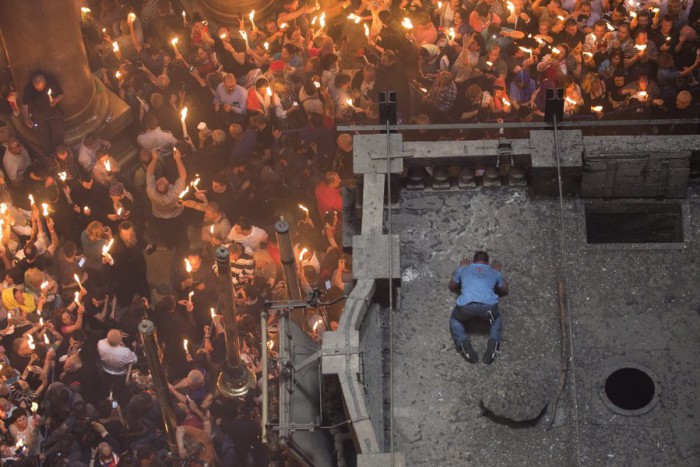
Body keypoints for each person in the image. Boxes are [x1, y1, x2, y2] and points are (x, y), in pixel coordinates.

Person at [449, 251, 508, 364]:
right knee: (496, 320)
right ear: (488, 263)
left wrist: (461, 268)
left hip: (466, 307)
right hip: (488, 308)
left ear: (473, 261)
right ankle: (494, 342)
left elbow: (452, 286)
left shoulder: (464, 269)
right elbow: (505, 290)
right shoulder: (493, 271)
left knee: (455, 319)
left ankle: (462, 342)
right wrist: (498, 272)